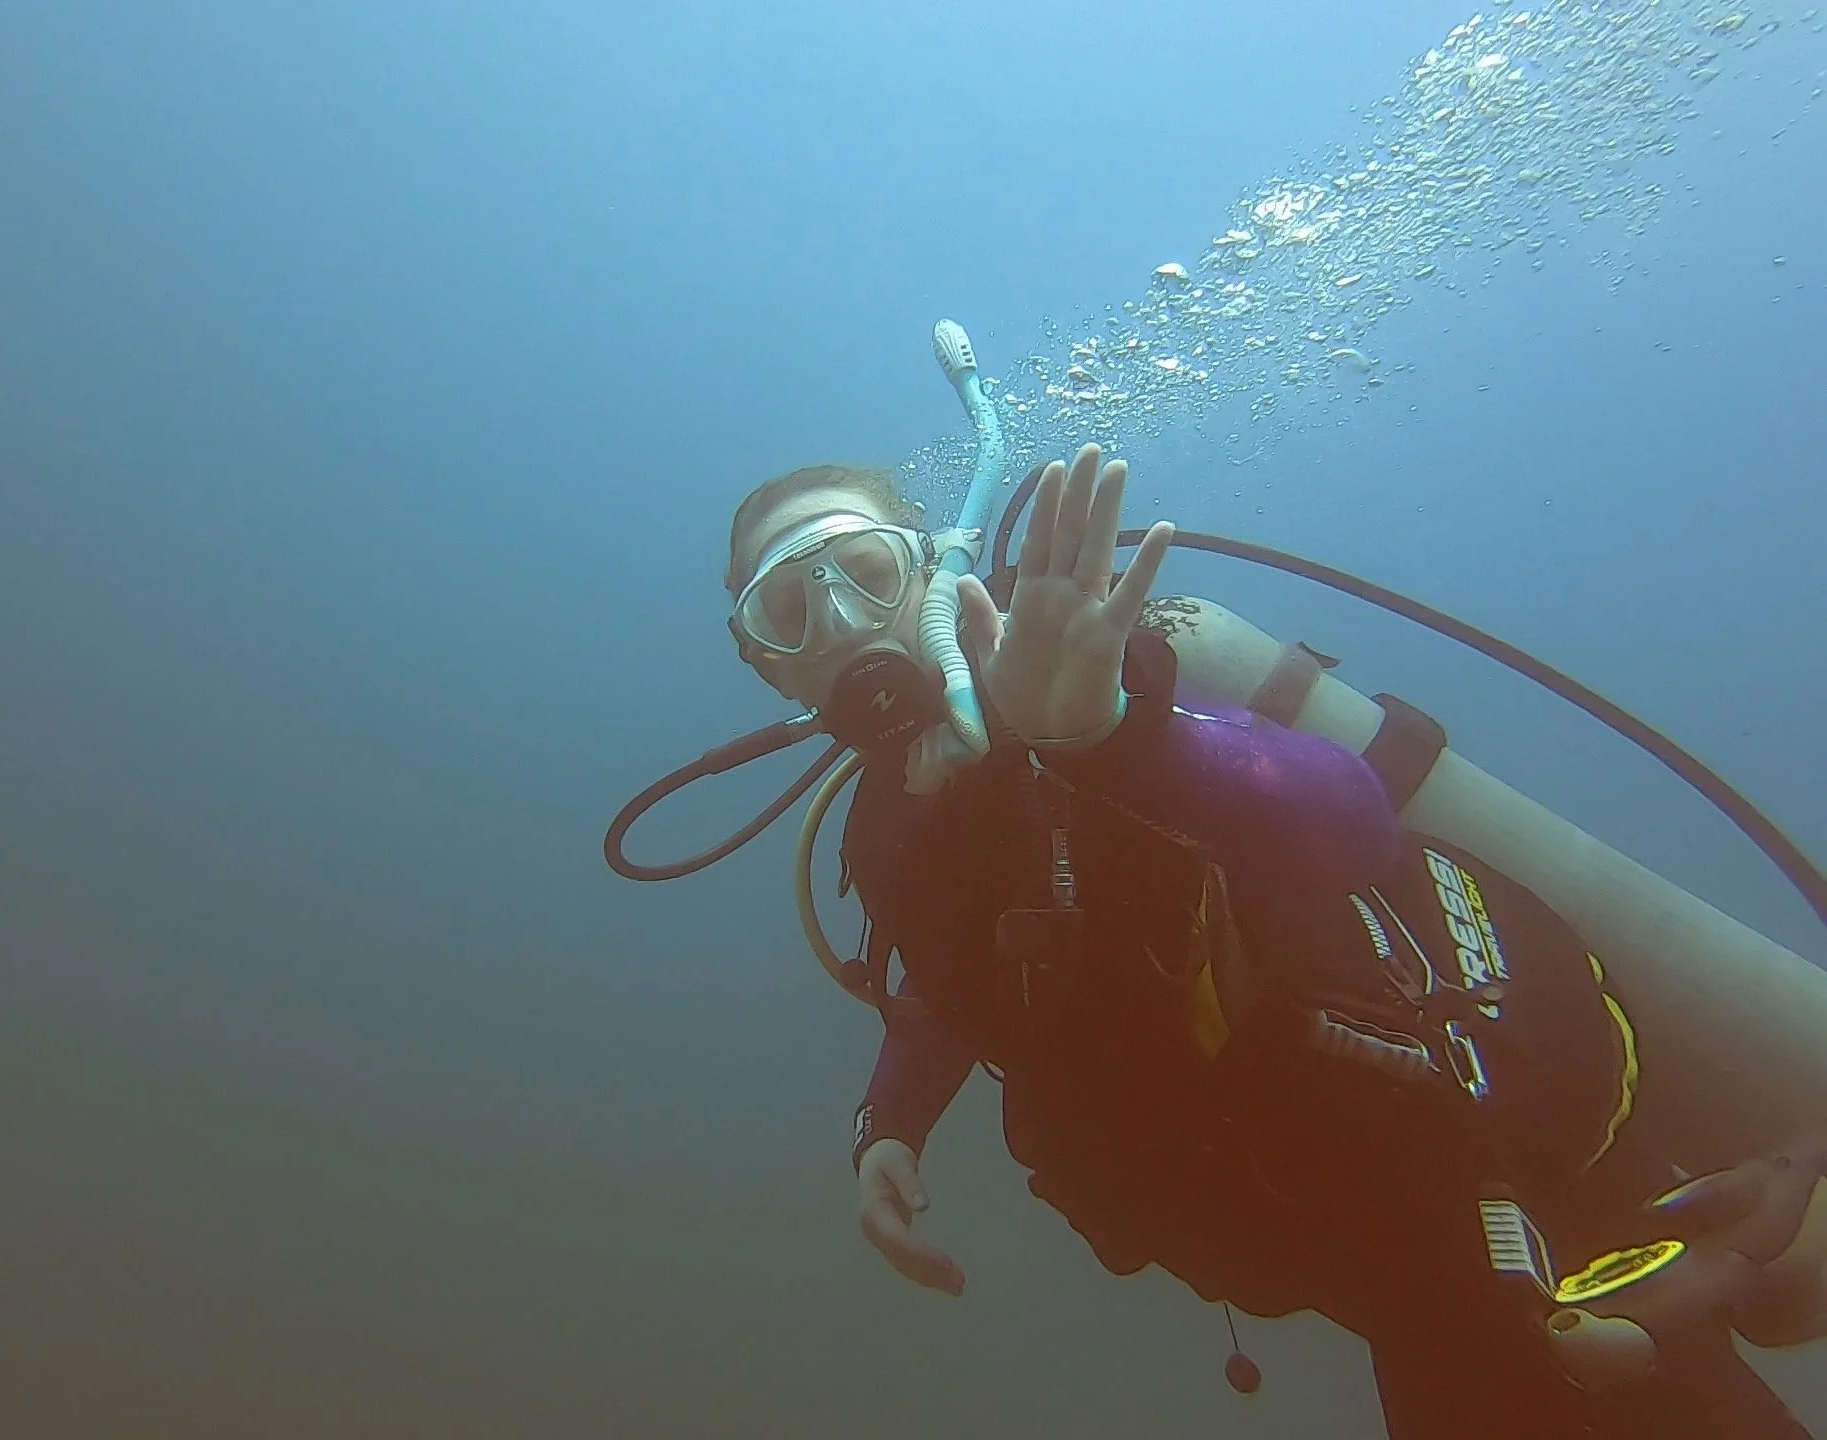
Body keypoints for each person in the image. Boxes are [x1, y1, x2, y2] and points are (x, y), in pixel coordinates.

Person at [721, 444, 1826, 1439]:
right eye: (789, 610)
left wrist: (1103, 738)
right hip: (1333, 1228)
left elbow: (1351, 824)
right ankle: (1743, 1250)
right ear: (768, 667)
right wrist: (892, 1123)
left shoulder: (1098, 674)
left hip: (1473, 1148)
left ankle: (1732, 1248)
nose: (842, 622)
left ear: (933, 566)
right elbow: (971, 971)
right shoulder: (889, 828)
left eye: (864, 572)